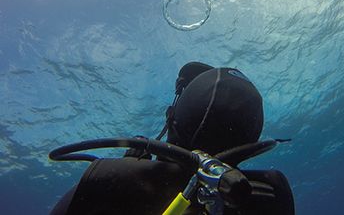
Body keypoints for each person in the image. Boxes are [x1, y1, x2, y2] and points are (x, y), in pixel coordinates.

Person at [50, 62, 295, 214]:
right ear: (252, 139)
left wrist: (130, 175)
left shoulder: (109, 179)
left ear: (172, 121)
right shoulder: (273, 194)